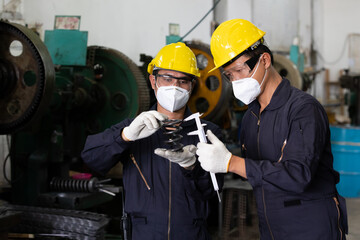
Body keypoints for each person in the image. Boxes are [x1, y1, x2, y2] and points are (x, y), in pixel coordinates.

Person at [196, 19, 348, 240]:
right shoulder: (250, 117)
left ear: (264, 59)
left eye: (238, 70)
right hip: (271, 227)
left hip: (312, 227)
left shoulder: (303, 109)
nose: (235, 80)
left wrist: (232, 162)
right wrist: (205, 160)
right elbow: (254, 172)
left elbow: (298, 175)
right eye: (229, 76)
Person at [81, 42, 223, 240]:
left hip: (191, 233)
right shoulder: (134, 128)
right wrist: (125, 136)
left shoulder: (208, 134)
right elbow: (91, 158)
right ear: (153, 81)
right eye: (167, 78)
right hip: (143, 233)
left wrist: (191, 168)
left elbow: (212, 192)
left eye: (183, 81)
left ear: (192, 86)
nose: (175, 86)